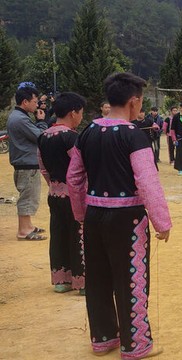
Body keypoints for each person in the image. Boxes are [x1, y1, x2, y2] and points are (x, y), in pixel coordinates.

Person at [67, 72, 171, 359]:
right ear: (134, 102)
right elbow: (148, 182)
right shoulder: (133, 135)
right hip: (128, 221)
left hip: (94, 216)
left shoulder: (86, 133)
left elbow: (74, 178)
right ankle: (135, 344)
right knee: (132, 280)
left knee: (98, 278)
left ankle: (103, 339)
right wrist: (162, 222)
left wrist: (80, 213)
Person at [37, 92, 86, 293]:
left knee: (58, 234)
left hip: (54, 194)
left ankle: (61, 280)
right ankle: (82, 281)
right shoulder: (71, 137)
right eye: (81, 113)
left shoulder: (43, 136)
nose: (81, 117)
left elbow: (43, 167)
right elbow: (80, 168)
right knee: (79, 235)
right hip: (73, 196)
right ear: (73, 113)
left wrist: (54, 185)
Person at [8, 84, 49, 240]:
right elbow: (40, 136)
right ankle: (24, 231)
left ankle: (28, 225)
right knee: (27, 196)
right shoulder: (20, 119)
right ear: (25, 102)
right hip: (26, 164)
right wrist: (41, 122)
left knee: (30, 195)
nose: (36, 104)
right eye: (34, 101)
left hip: (25, 163)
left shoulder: (19, 116)